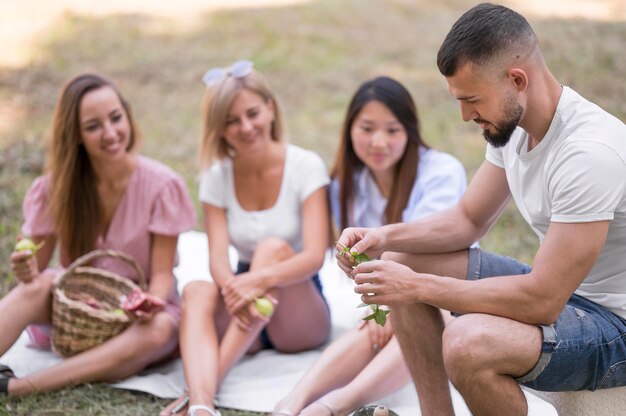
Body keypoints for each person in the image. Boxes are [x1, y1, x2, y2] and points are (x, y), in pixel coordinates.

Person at [336, 3, 626, 416]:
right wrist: (383, 238)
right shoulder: (514, 129)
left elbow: (542, 301)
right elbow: (467, 220)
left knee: (467, 342)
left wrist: (417, 287)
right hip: (569, 298)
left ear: (517, 80)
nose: (465, 115)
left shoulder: (588, 154)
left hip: (616, 327)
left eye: (472, 99)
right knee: (403, 259)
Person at [274, 76, 467, 416]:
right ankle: (292, 404)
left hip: (448, 298)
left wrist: (390, 308)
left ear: (409, 131)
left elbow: (424, 255)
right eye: (367, 128)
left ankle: (333, 406)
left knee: (399, 321)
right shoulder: (346, 186)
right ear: (350, 130)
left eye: (392, 130)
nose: (379, 142)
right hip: (388, 297)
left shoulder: (440, 172)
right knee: (374, 327)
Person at [0, 74, 196, 395]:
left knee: (160, 329)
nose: (110, 133)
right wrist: (25, 267)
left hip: (136, 321)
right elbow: (37, 267)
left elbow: (161, 276)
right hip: (79, 312)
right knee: (39, 286)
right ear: (76, 135)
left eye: (116, 118)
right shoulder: (56, 189)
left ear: (127, 115)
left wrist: (148, 302)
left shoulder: (162, 186)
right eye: (93, 126)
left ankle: (20, 387)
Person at [160, 61, 331, 416]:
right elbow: (219, 261)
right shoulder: (215, 176)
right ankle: (203, 409)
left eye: (252, 113)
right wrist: (236, 287)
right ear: (219, 129)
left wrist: (257, 280)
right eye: (231, 121)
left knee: (271, 249)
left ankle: (198, 393)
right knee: (196, 289)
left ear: (271, 108)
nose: (246, 127)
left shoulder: (305, 166)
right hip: (245, 306)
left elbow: (315, 255)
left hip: (297, 305)